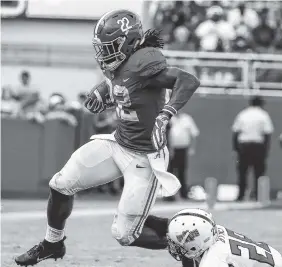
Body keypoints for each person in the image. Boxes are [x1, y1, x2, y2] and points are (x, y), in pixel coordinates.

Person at [15, 9, 200, 266]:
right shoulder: (120, 64)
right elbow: (122, 83)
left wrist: (167, 113)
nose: (104, 53)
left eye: (111, 46)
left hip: (144, 157)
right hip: (118, 143)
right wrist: (104, 93)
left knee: (125, 233)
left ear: (130, 43)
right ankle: (52, 243)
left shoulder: (146, 61)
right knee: (61, 183)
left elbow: (187, 79)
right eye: (102, 47)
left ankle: (191, 241)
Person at [166, 208, 282, 267]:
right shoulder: (214, 231)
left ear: (196, 245)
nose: (174, 245)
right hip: (271, 257)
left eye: (180, 240)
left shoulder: (212, 261)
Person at [232, 95, 274, 201]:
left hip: (244, 145)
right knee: (258, 171)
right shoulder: (263, 115)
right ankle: (257, 195)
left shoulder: (243, 114)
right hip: (258, 145)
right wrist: (266, 149)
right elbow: (267, 133)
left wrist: (236, 148)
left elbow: (236, 132)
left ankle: (241, 195)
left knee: (242, 171)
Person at [167, 112, 199, 200]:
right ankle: (170, 195)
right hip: (170, 149)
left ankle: (183, 194)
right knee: (170, 172)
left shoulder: (187, 119)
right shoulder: (169, 118)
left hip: (182, 149)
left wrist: (192, 148)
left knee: (182, 171)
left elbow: (194, 134)